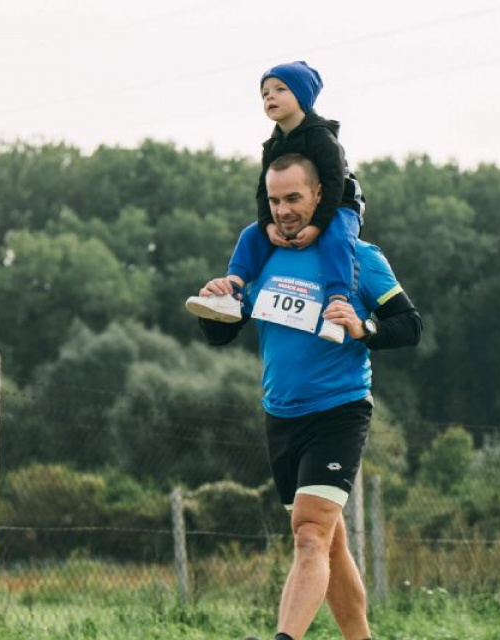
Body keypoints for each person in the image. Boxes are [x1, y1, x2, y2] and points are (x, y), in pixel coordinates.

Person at [193, 154, 422, 640]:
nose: (283, 210)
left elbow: (409, 325)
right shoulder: (264, 256)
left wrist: (364, 327)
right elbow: (221, 336)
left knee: (309, 533)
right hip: (281, 416)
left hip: (338, 412)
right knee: (329, 546)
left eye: (294, 198)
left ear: (321, 194)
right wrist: (213, 305)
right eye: (274, 200)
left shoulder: (359, 258)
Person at [186, 60, 366, 344]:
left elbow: (333, 185)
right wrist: (268, 225)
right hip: (294, 212)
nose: (269, 96)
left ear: (302, 96)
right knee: (250, 234)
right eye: (265, 93)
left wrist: (318, 225)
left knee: (336, 237)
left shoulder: (322, 137)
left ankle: (336, 306)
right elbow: (262, 191)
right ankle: (231, 291)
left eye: (279, 89)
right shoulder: (273, 145)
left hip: (340, 205)